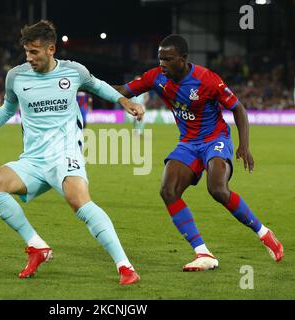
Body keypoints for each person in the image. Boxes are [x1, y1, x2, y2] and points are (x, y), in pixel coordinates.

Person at [0, 20, 143, 285]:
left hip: (65, 154)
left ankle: (125, 267)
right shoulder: (16, 76)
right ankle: (37, 246)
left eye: (35, 52)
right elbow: (7, 109)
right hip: (33, 159)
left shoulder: (74, 72)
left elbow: (97, 86)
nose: (29, 58)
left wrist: (124, 101)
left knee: (78, 200)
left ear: (51, 49)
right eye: (26, 52)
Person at [113, 34, 283, 271]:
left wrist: (244, 145)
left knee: (217, 189)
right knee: (168, 190)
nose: (162, 64)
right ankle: (203, 253)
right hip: (188, 143)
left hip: (215, 139)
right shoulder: (156, 77)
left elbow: (238, 109)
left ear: (183, 59)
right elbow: (122, 90)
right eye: (160, 58)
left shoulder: (207, 80)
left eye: (168, 59)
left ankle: (264, 233)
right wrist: (89, 83)